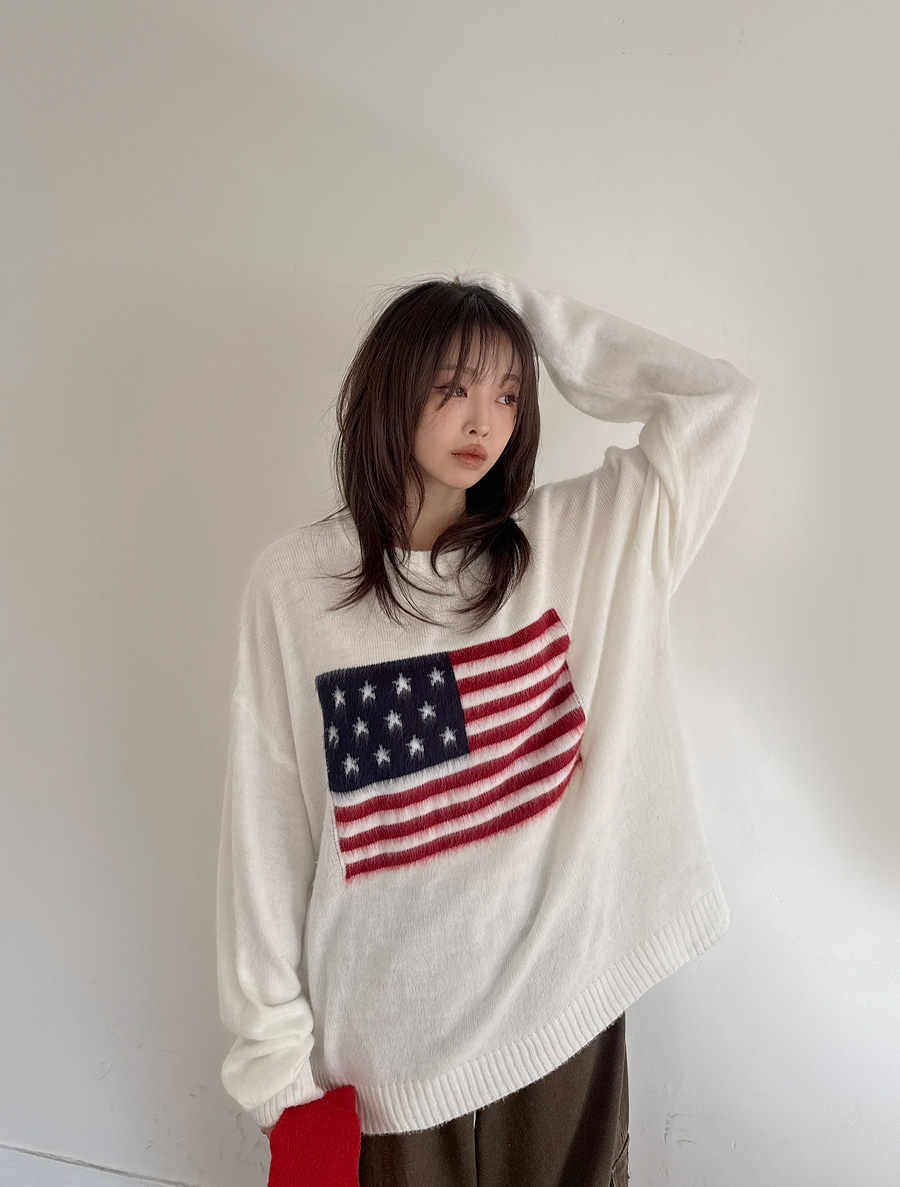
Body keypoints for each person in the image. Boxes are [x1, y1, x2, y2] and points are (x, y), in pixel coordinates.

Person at [216, 268, 759, 1186]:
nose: (484, 420)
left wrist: (518, 311)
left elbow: (717, 402)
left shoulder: (573, 545)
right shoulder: (296, 584)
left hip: (558, 1023)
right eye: (453, 385)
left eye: (508, 394)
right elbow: (266, 835)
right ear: (394, 387)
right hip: (386, 1058)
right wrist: (276, 1069)